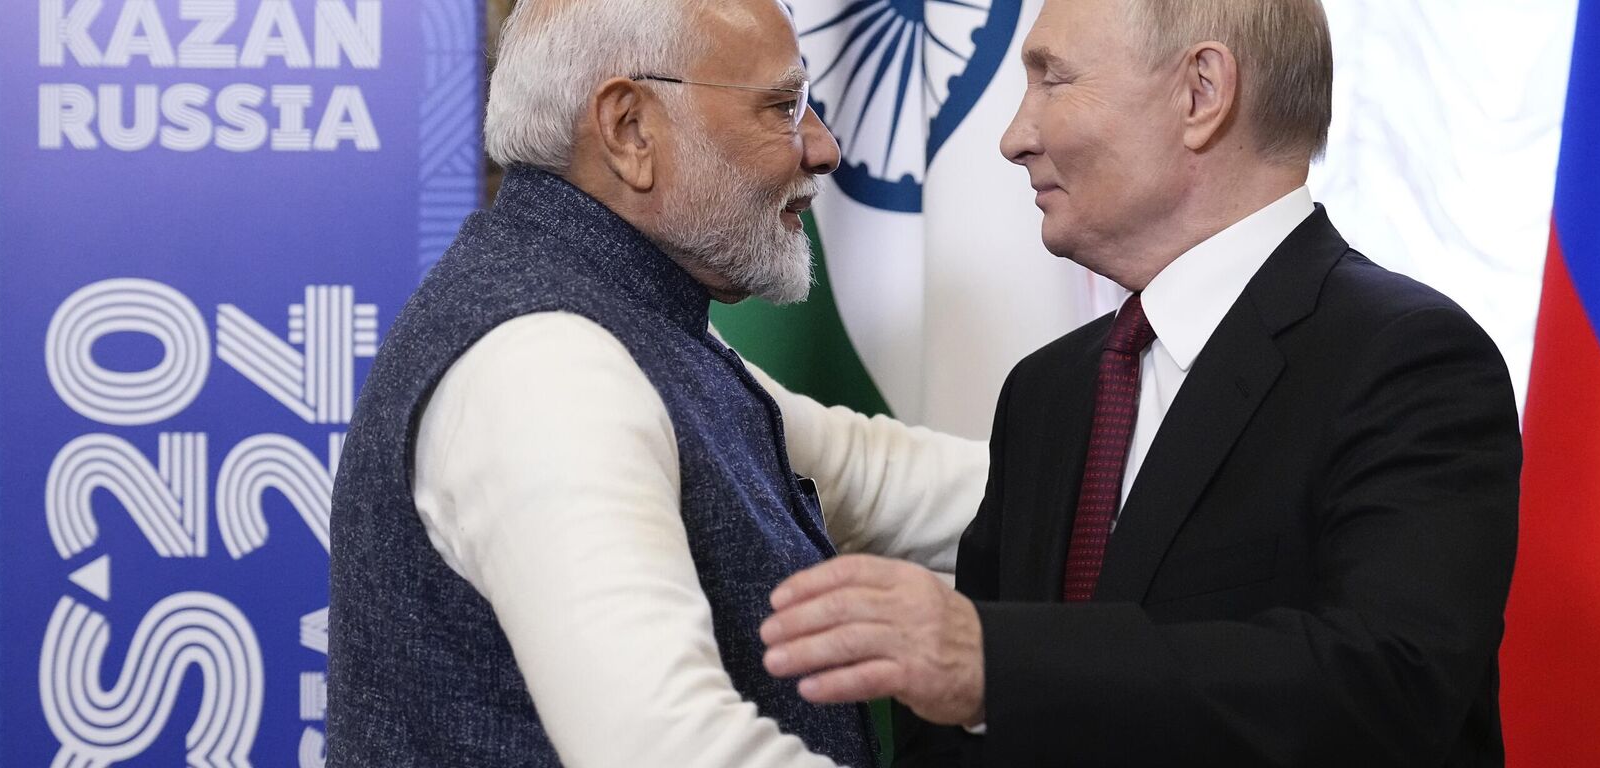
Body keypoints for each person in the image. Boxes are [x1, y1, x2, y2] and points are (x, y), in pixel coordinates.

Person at [758, 0, 1524, 764]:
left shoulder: (1408, 360)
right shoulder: (1046, 391)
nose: (1013, 137)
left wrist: (998, 665)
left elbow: (1388, 688)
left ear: (1201, 93)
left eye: (1053, 80)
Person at [325, 0, 984, 766]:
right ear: (630, 129)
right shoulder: (549, 369)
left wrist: (1137, 478)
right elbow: (671, 748)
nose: (824, 148)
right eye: (784, 107)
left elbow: (875, 480)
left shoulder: (616, 322)